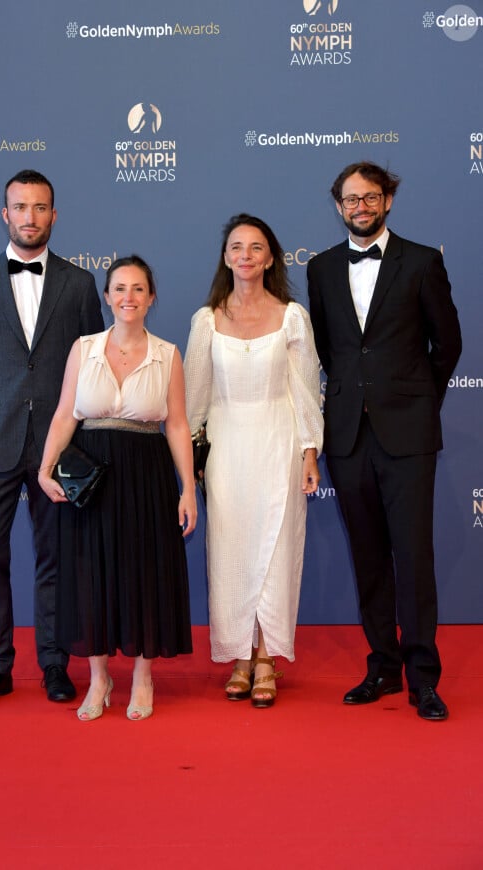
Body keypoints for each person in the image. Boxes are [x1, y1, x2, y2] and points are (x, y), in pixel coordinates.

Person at [307, 161, 462, 721]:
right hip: (348, 434)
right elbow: (329, 348)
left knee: (413, 557)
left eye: (371, 197)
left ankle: (424, 677)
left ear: (388, 201)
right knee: (368, 557)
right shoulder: (321, 269)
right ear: (339, 205)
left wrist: (418, 403)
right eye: (351, 199)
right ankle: (382, 666)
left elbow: (447, 345)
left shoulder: (422, 261)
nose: (361, 207)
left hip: (408, 434)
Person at [0, 169, 103, 707]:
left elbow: (89, 366)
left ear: (54, 216)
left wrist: (61, 427)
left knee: (54, 556)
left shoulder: (80, 284)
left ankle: (55, 663)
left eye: (40, 208)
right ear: (5, 214)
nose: (30, 217)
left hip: (56, 448)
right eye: (20, 207)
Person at [38, 255, 196, 722]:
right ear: (107, 297)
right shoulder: (82, 348)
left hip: (147, 476)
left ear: (151, 298)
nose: (129, 297)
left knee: (145, 571)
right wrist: (46, 469)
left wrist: (187, 489)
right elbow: (67, 414)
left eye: (139, 289)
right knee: (90, 573)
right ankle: (99, 678)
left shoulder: (168, 354)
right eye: (120, 288)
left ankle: (143, 678)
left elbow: (178, 424)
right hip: (91, 478)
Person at [184, 214, 323, 708]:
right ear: (226, 257)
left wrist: (310, 452)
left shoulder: (292, 317)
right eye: (236, 246)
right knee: (230, 551)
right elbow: (194, 400)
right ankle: (239, 656)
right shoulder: (206, 320)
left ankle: (266, 658)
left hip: (278, 444)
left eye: (256, 247)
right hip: (225, 450)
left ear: (269, 258)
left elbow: (306, 391)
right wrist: (191, 462)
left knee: (278, 550)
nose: (245, 254)